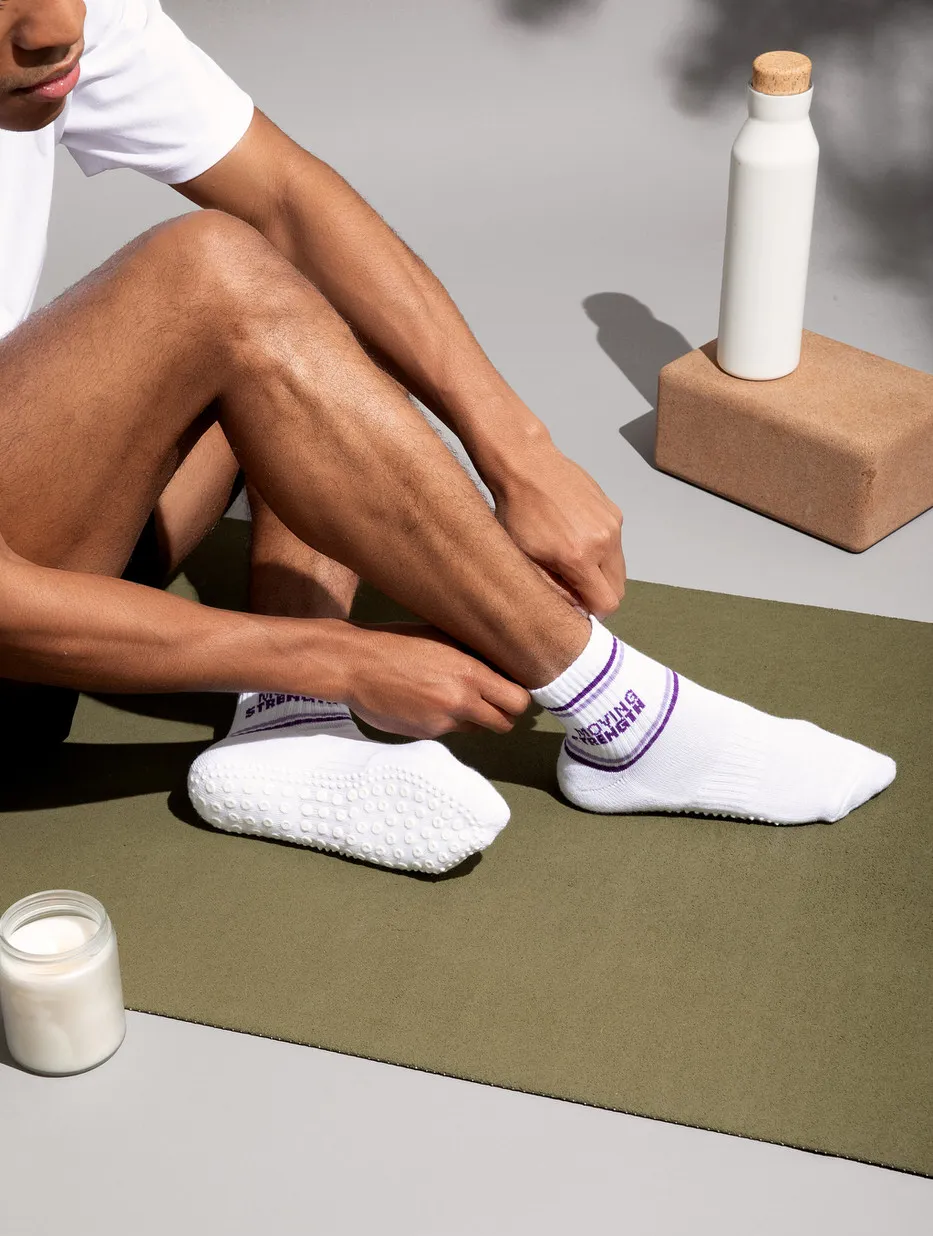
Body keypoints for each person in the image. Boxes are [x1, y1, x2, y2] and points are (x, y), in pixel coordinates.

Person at [0, 0, 895, 875]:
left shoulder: (56, 18)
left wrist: (521, 452)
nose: (53, 26)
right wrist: (339, 662)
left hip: (49, 535)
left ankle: (282, 724)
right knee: (207, 277)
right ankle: (622, 715)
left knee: (308, 289)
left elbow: (284, 197)